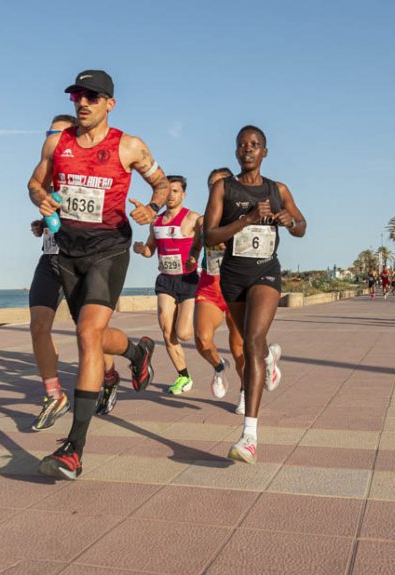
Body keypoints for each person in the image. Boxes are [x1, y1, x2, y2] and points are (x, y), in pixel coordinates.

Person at [30, 70, 170, 480]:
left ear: (110, 102)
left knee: (87, 334)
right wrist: (42, 200)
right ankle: (137, 351)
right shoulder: (58, 142)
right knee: (92, 333)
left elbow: (160, 183)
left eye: (92, 96)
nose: (83, 103)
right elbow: (34, 182)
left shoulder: (129, 146)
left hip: (109, 250)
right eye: (77, 95)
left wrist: (152, 208)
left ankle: (74, 447)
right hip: (68, 253)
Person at [204, 125, 305, 464]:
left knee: (251, 341)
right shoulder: (223, 188)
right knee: (253, 345)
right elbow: (209, 234)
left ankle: (249, 436)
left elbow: (302, 226)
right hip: (232, 276)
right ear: (236, 152)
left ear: (265, 152)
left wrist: (289, 221)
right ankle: (270, 360)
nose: (247, 150)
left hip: (266, 271)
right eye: (242, 145)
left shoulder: (278, 189)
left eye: (255, 145)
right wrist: (247, 219)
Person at [26, 115, 122, 430]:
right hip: (51, 259)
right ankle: (54, 395)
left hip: (83, 262)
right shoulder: (46, 179)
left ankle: (109, 376)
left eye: (58, 133)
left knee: (89, 334)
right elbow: (39, 197)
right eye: (48, 133)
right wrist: (42, 222)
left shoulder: (86, 173)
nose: (52, 139)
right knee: (38, 325)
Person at [132, 175, 201, 395]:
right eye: (167, 191)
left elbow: (209, 241)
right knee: (166, 329)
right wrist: (140, 249)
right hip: (165, 280)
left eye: (175, 191)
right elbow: (150, 250)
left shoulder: (192, 218)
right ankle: (184, 376)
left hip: (188, 280)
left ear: (183, 194)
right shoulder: (157, 222)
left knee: (184, 334)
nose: (170, 195)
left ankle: (199, 318)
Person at [194, 168, 247, 414]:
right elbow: (197, 244)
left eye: (222, 185)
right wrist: (191, 260)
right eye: (212, 186)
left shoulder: (244, 217)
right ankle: (218, 366)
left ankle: (246, 391)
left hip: (236, 287)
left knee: (239, 349)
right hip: (210, 286)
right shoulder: (203, 220)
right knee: (202, 340)